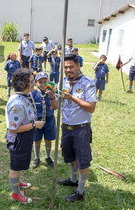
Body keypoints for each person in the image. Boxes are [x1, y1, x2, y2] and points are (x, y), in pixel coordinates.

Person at [58, 54, 96, 202]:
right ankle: (73, 180)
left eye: (71, 67)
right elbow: (56, 106)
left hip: (81, 129)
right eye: (66, 67)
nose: (68, 70)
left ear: (78, 65)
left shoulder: (88, 83)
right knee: (70, 156)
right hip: (66, 127)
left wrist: (72, 97)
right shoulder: (63, 83)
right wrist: (51, 97)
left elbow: (91, 107)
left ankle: (80, 192)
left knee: (82, 160)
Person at [5, 68, 45, 203]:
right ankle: (16, 193)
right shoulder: (17, 103)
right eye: (32, 81)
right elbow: (13, 129)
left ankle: (17, 182)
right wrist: (35, 125)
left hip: (24, 137)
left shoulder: (25, 95)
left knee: (20, 163)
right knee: (15, 166)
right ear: (23, 84)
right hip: (18, 139)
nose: (34, 83)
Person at [31, 72, 58, 169]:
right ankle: (37, 157)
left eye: (45, 81)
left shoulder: (52, 93)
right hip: (37, 122)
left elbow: (55, 107)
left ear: (48, 82)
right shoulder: (33, 94)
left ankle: (47, 156)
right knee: (37, 140)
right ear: (36, 82)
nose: (42, 84)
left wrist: (52, 96)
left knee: (48, 140)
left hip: (49, 121)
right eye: (40, 82)